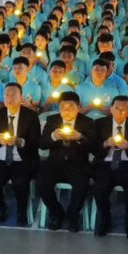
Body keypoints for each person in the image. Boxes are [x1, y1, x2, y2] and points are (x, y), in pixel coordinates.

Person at [37, 91, 97, 232]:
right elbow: (42, 144)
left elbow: (95, 148)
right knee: (41, 181)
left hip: (78, 164)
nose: (67, 110)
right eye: (63, 106)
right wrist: (53, 136)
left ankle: (72, 215)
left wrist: (80, 138)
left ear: (79, 107)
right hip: (54, 163)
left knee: (81, 185)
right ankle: (56, 212)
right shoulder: (52, 120)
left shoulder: (87, 122)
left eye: (71, 107)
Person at [90, 95, 128, 240]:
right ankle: (105, 219)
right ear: (110, 109)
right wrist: (104, 144)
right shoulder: (99, 123)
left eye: (124, 110)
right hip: (106, 164)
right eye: (116, 108)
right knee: (100, 189)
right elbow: (92, 149)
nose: (120, 112)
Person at [0, 82, 39, 226]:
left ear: (21, 97)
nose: (9, 98)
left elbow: (35, 142)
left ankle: (21, 211)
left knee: (20, 182)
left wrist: (19, 141)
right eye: (6, 95)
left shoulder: (31, 116)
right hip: (0, 157)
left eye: (13, 95)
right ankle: (0, 207)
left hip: (21, 158)